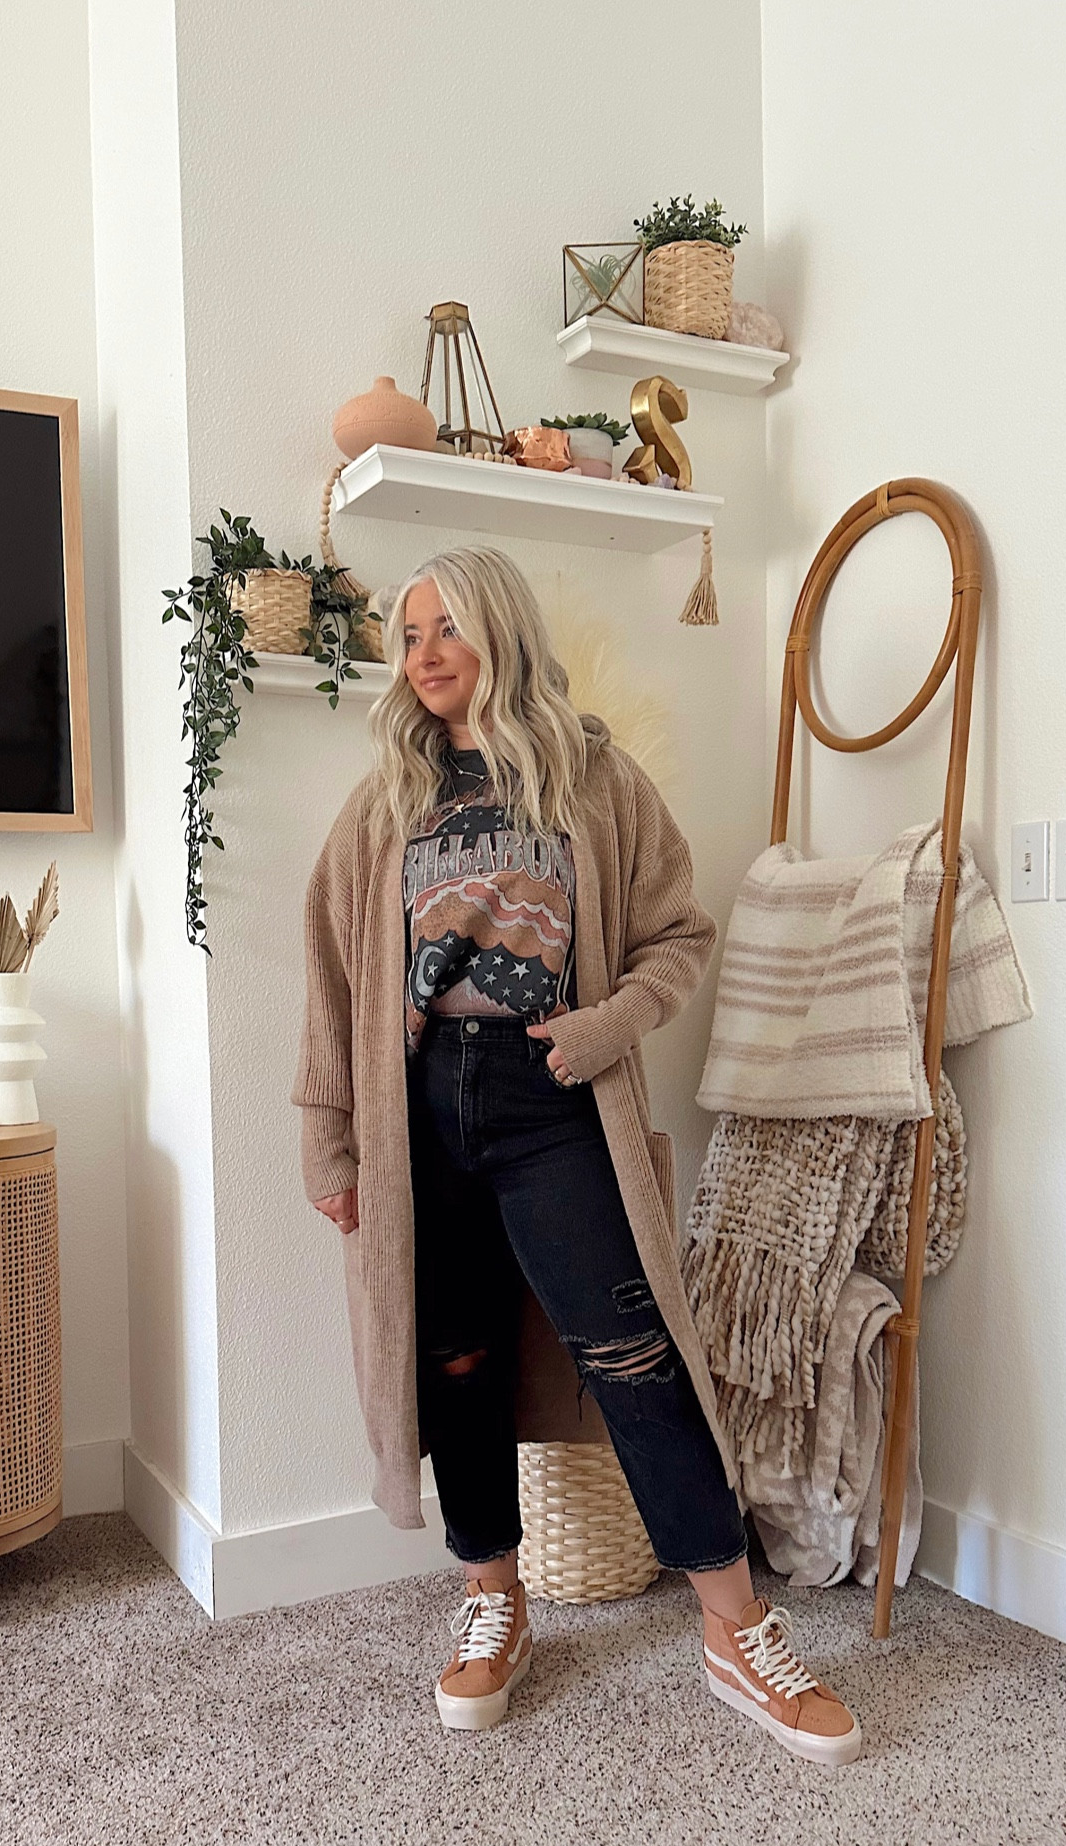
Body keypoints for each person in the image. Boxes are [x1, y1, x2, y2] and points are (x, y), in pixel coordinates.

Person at [291, 545, 860, 1767]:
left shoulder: (592, 776)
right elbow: (332, 977)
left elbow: (675, 930)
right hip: (413, 1114)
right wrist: (325, 1132)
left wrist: (609, 1024)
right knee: (452, 1355)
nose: (426, 650)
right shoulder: (385, 796)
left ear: (501, 627)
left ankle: (733, 1625)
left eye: (448, 624)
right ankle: (493, 1595)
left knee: (635, 1353)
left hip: (553, 1093)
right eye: (407, 632)